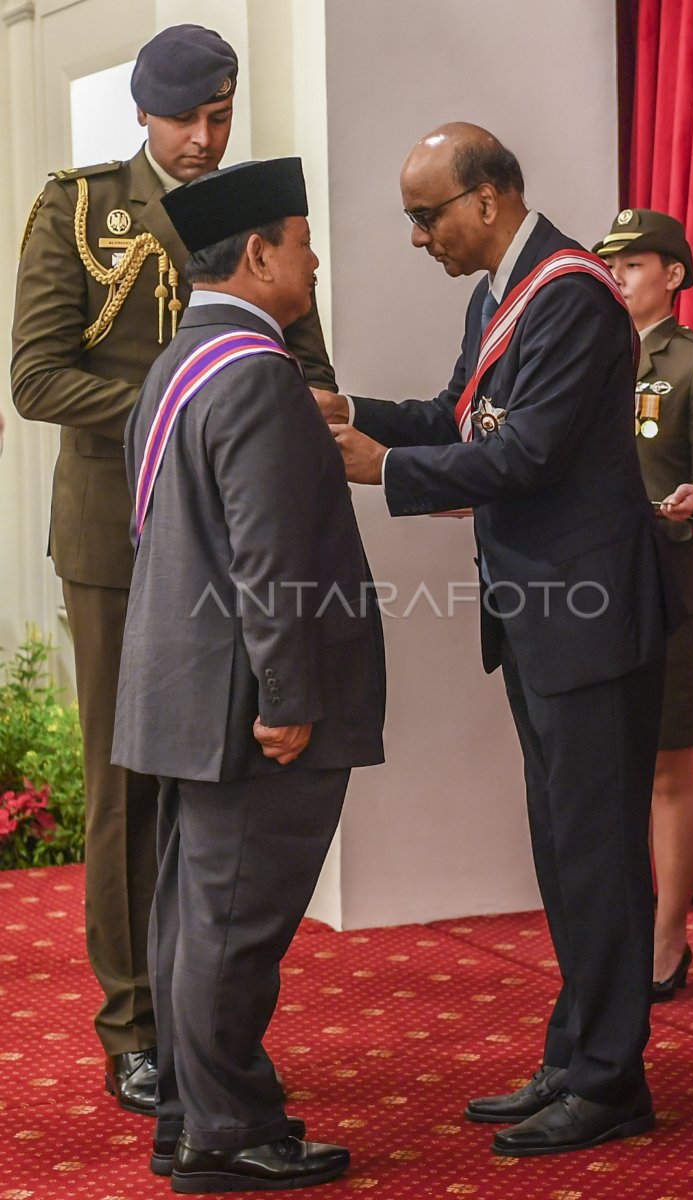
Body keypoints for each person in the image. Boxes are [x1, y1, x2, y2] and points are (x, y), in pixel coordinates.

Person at [314, 122, 681, 1158]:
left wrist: (381, 468)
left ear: (487, 199)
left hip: (589, 616)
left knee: (597, 853)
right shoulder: (500, 292)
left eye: (425, 215)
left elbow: (526, 457)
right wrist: (357, 412)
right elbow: (458, 415)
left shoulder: (568, 295)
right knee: (564, 849)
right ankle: (577, 1053)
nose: (417, 236)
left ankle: (610, 1083)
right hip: (539, 613)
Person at [9, 23, 337, 1116]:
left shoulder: (256, 211)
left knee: (227, 778)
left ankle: (208, 1021)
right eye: (186, 118)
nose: (204, 138)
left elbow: (303, 364)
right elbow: (37, 378)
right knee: (129, 784)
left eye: (220, 116)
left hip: (238, 540)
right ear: (142, 112)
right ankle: (134, 1026)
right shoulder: (79, 209)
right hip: (118, 540)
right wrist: (187, 406)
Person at [111, 157, 385, 1191]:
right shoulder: (258, 374)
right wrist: (286, 701)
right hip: (246, 706)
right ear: (259, 254)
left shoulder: (180, 362)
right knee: (233, 929)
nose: (314, 261)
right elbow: (269, 559)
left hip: (187, 691)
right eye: (302, 243)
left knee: (194, 920)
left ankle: (192, 1115)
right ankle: (225, 1135)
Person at [593, 209, 693, 999]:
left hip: (662, 579)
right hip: (590, 585)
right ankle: (612, 929)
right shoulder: (590, 354)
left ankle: (668, 937)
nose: (616, 276)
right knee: (602, 765)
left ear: (672, 275)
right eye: (610, 265)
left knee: (667, 766)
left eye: (632, 265)